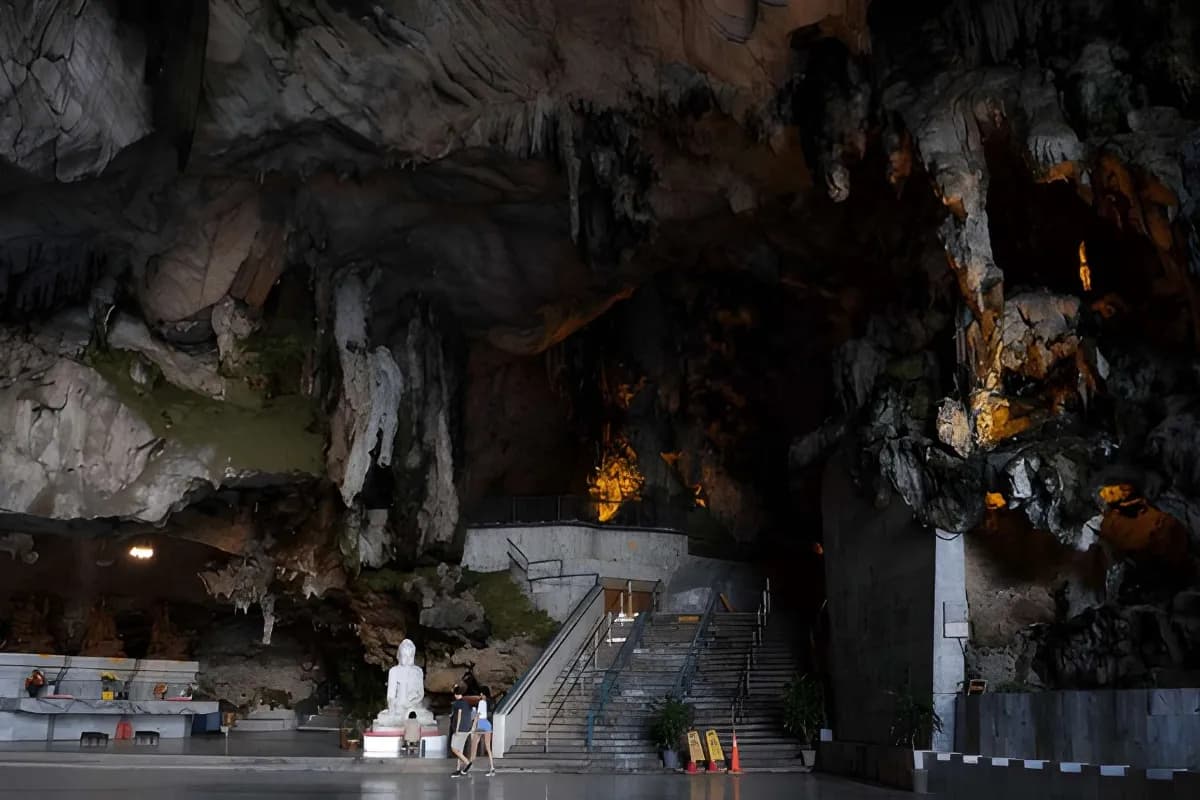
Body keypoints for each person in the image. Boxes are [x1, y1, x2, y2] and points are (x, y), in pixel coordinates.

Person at [468, 686, 496, 776]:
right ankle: (492, 768)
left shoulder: (481, 702)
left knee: (474, 744)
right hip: (487, 724)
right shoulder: (489, 702)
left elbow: (477, 715)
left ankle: (470, 765)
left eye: (481, 693)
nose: (480, 695)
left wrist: (473, 727)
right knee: (488, 747)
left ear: (483, 694)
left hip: (481, 724)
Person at [448, 686, 474, 777]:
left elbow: (459, 716)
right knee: (460, 750)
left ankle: (467, 763)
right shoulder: (466, 703)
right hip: (467, 728)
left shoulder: (457, 704)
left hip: (460, 729)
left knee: (454, 748)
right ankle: (458, 769)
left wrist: (457, 729)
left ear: (455, 694)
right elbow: (470, 714)